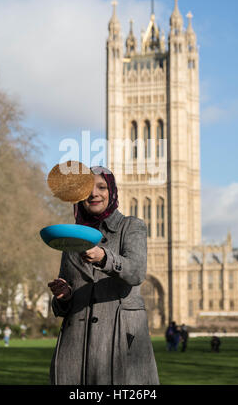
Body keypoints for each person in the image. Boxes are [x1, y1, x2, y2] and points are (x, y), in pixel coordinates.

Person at [48, 165, 159, 385]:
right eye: (88, 188)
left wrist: (104, 258)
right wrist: (64, 296)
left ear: (112, 191)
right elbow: (62, 304)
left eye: (101, 187)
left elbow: (136, 272)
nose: (94, 193)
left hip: (119, 341)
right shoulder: (71, 236)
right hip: (75, 347)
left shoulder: (131, 227)